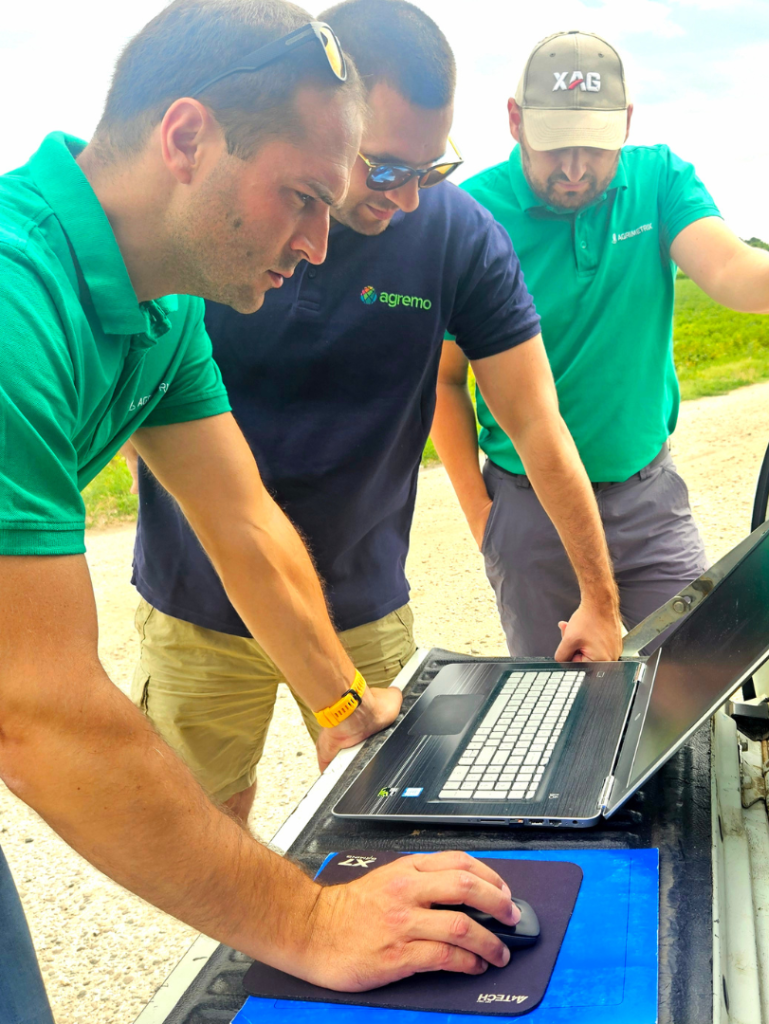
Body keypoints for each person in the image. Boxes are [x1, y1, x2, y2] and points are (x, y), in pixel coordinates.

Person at [0, 3, 520, 1021]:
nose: (320, 244)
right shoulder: (16, 304)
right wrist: (315, 922)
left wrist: (341, 706)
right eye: (303, 197)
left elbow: (242, 522)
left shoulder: (164, 309)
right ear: (187, 138)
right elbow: (37, 707)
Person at [124, 0, 622, 826]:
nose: (411, 200)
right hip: (197, 605)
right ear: (326, 118)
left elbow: (536, 421)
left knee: (391, 823)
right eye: (386, 168)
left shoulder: (458, 237)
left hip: (361, 603)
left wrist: (599, 599)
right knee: (209, 823)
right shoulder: (220, 223)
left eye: (433, 169)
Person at [431, 30, 769, 656]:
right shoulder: (472, 216)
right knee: (557, 697)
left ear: (626, 123)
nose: (575, 169)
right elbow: (443, 378)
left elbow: (732, 271)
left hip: (648, 499)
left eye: (595, 147)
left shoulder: (659, 179)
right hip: (529, 510)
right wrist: (480, 516)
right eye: (555, 144)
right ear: (515, 121)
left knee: (700, 670)